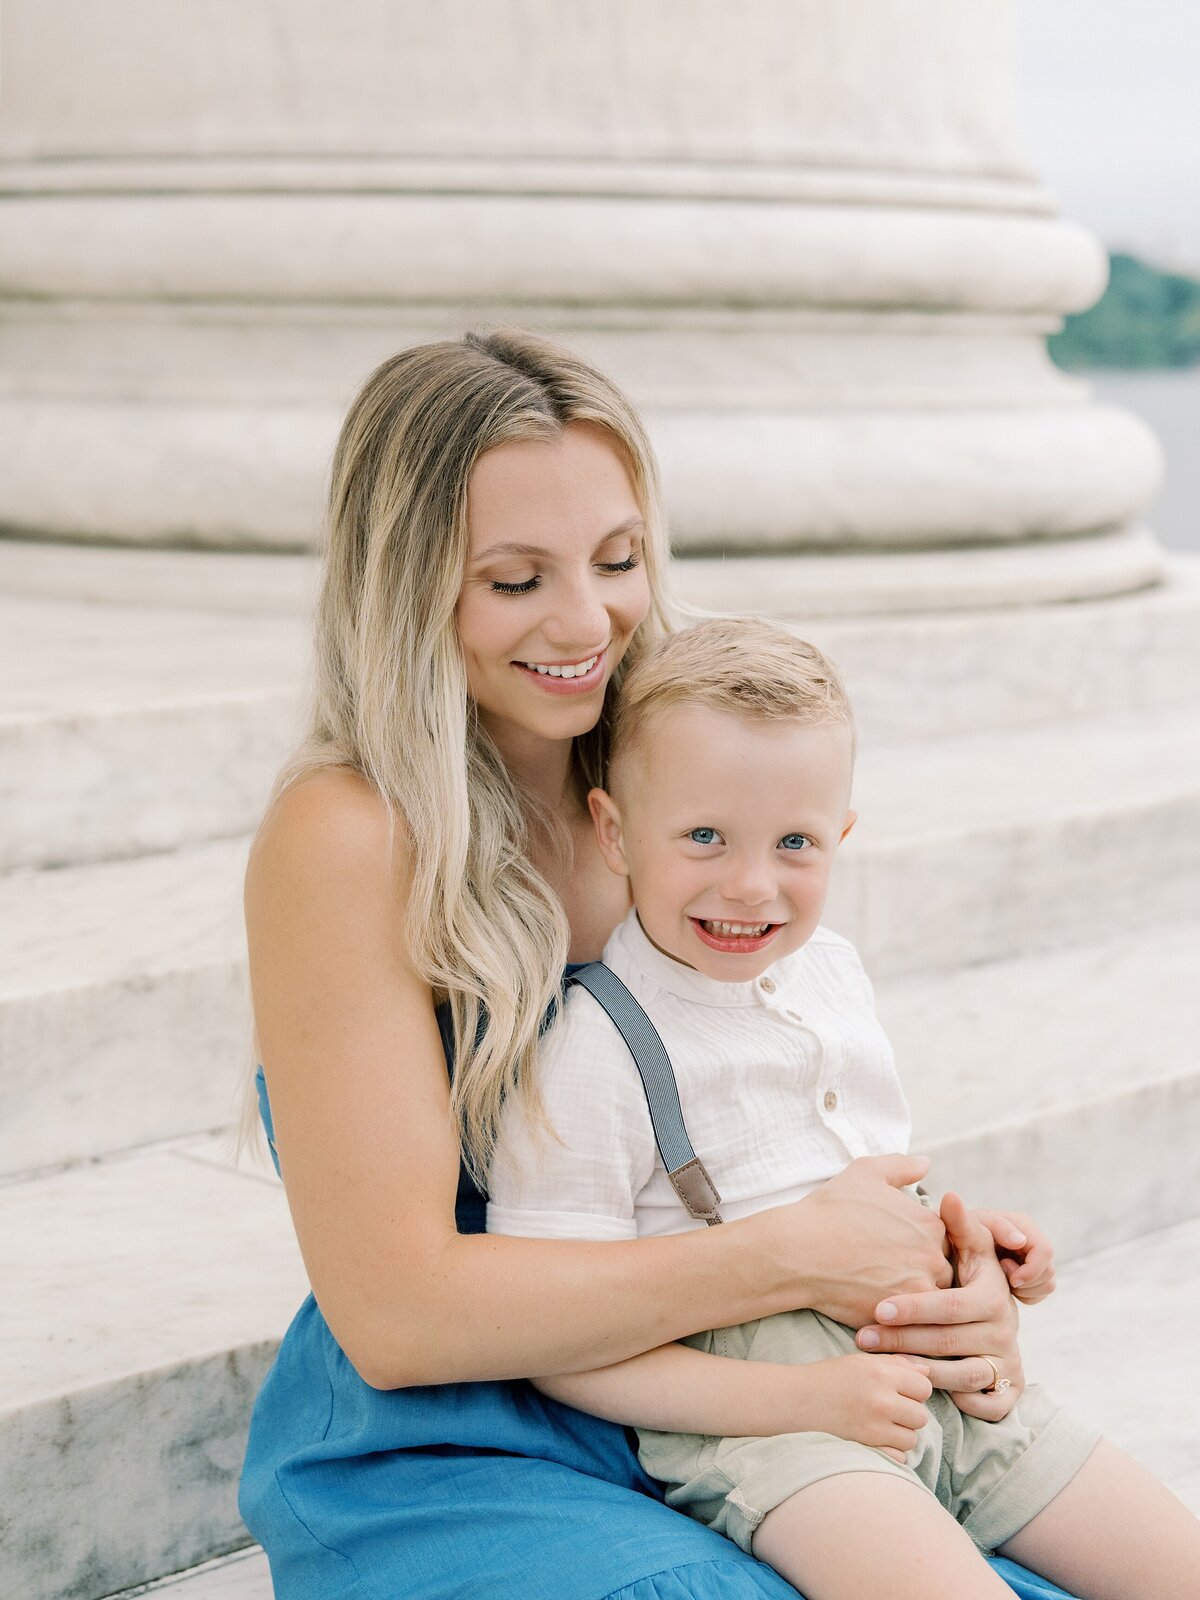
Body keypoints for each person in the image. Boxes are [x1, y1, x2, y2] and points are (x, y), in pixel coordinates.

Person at [238, 327, 1084, 1599]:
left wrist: (937, 1286)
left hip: (738, 1386)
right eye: (514, 579)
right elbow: (399, 1315)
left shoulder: (669, 785)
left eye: (618, 559)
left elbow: (764, 1128)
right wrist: (796, 1255)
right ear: (404, 585)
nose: (588, 621)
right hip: (461, 1430)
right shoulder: (353, 835)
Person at [486, 615, 1200, 1600]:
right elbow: (557, 1344)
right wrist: (802, 1395)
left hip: (945, 1393)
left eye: (795, 843)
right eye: (703, 837)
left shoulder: (830, 976)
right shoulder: (598, 1048)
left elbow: (855, 1185)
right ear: (614, 830)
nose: (750, 883)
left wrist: (968, 1248)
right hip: (775, 1434)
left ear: (842, 836)